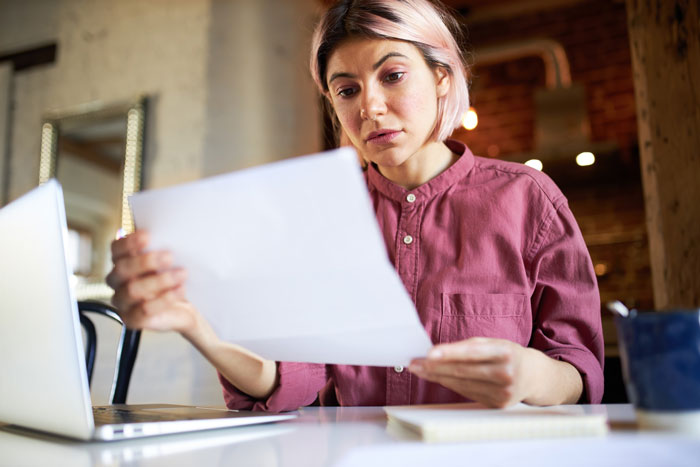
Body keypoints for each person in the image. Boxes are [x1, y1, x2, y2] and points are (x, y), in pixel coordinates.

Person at [107, 0, 604, 411]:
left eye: (393, 76)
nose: (369, 107)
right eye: (347, 90)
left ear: (443, 79)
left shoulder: (527, 199)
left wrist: (532, 375)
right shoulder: (320, 219)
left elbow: (578, 372)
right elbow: (293, 379)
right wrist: (197, 326)